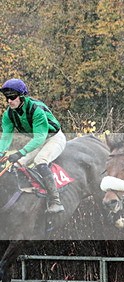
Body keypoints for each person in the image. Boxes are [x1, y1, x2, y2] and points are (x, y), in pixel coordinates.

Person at [0, 78, 67, 213]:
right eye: (7, 97)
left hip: (53, 138)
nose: (9, 101)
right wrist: (1, 153)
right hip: (37, 141)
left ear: (22, 96)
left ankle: (55, 200)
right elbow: (6, 137)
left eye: (12, 97)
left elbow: (40, 137)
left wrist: (20, 152)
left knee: (40, 161)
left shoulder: (36, 110)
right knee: (17, 165)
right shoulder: (8, 114)